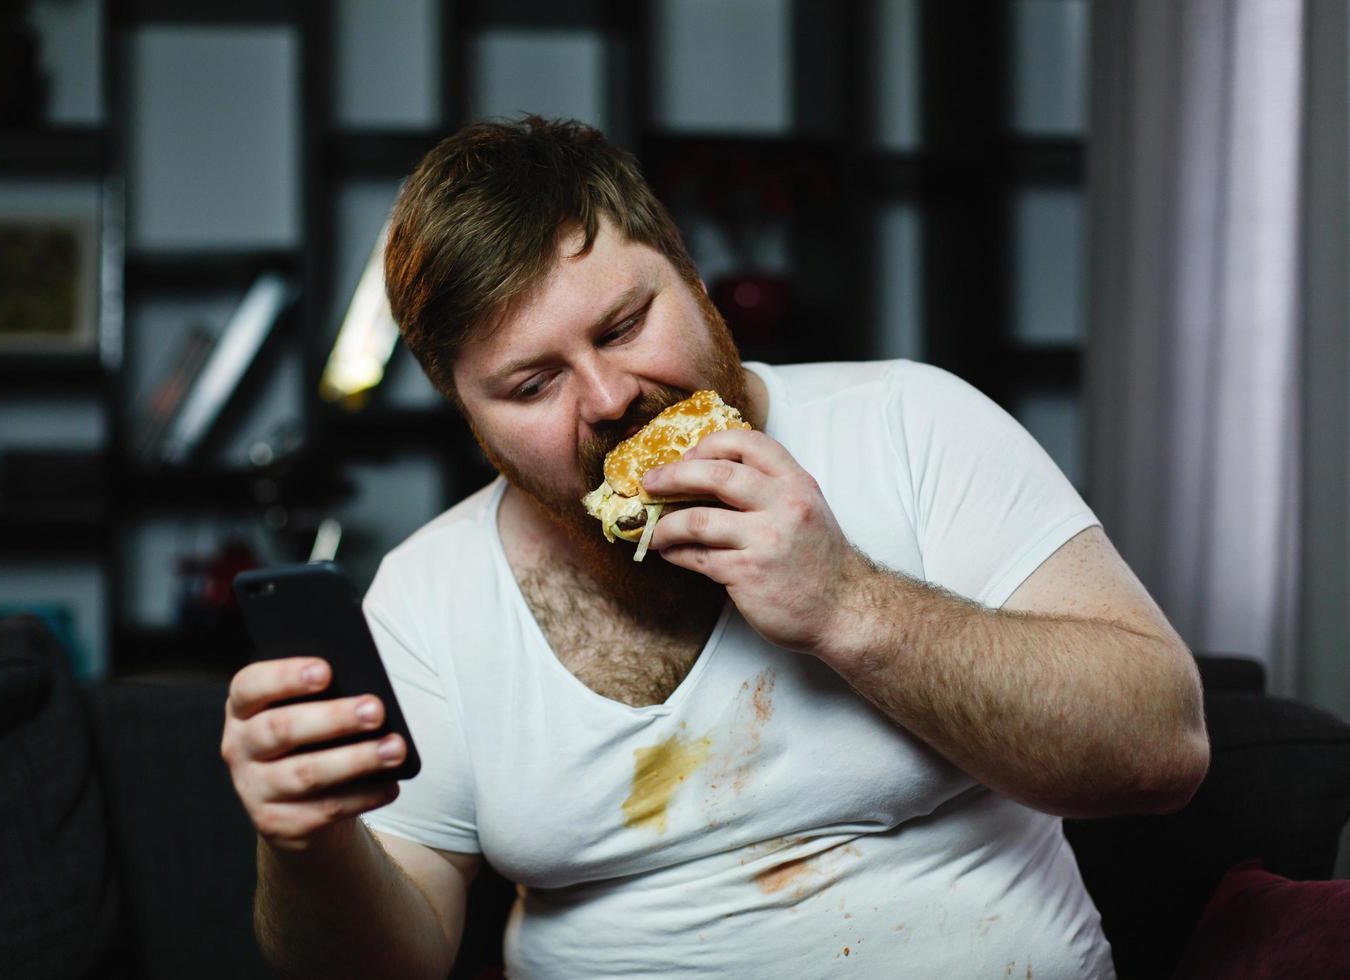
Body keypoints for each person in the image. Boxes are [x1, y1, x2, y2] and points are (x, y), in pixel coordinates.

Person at [220, 116, 1209, 979]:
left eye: (625, 324)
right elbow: (393, 957)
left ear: (691, 274)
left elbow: (1165, 749)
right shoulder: (429, 591)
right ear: (466, 416)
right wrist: (306, 844)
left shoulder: (911, 422)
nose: (609, 397)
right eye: (531, 385)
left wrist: (846, 602)